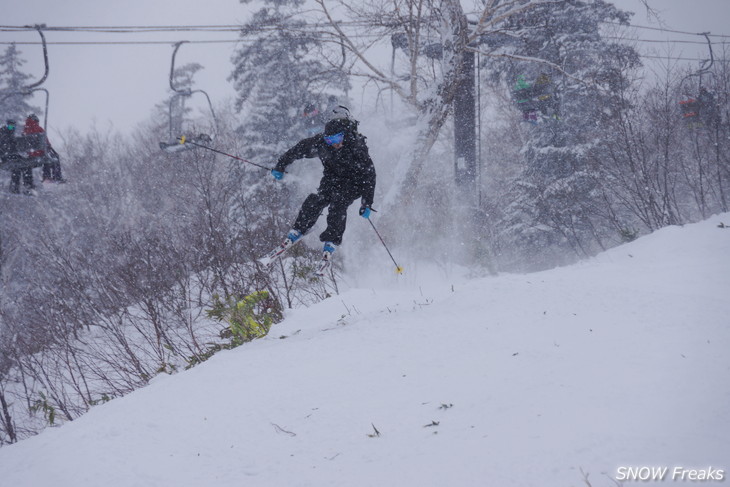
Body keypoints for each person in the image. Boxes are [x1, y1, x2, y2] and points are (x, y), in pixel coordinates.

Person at [260, 112, 377, 275]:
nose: (333, 144)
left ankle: (331, 241)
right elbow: (297, 150)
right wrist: (281, 165)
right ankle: (298, 230)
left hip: (354, 183)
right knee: (316, 200)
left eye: (336, 139)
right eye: (329, 140)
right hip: (332, 179)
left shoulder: (357, 147)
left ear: (343, 135)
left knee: (338, 204)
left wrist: (367, 203)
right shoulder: (321, 143)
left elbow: (369, 176)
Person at [23, 114, 64, 183]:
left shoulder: (25, 130)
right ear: (36, 121)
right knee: (54, 156)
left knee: (46, 158)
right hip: (40, 152)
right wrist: (48, 146)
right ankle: (56, 177)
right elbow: (46, 141)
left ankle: (46, 177)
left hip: (31, 154)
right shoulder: (39, 128)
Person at [0, 119, 35, 195]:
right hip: (7, 156)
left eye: (13, 126)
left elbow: (11, 145)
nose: (12, 128)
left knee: (18, 167)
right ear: (7, 125)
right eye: (10, 126)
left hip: (9, 155)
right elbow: (6, 146)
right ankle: (27, 187)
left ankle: (15, 188)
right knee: (25, 165)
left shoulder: (7, 133)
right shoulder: (4, 134)